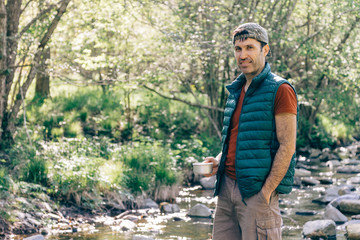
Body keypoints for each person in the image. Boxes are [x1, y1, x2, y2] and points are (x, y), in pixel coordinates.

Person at [204, 22, 298, 239]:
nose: (242, 55)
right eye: (238, 49)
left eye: (249, 48)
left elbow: (288, 145)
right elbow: (238, 138)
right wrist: (219, 160)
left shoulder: (281, 90)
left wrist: (265, 193)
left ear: (265, 50)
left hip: (256, 192)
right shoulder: (235, 90)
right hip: (226, 191)